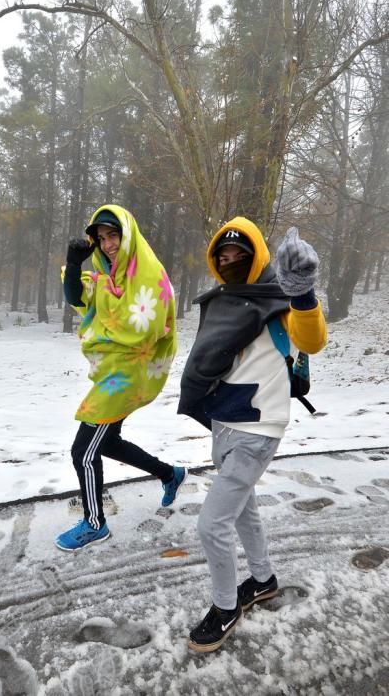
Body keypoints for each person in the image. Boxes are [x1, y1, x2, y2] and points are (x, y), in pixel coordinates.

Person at [178, 219, 327, 653]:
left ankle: (226, 608)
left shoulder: (279, 298)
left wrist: (302, 292)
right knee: (244, 511)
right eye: (222, 257)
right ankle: (263, 580)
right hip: (225, 422)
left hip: (257, 427)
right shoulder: (228, 301)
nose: (229, 262)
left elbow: (312, 339)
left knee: (212, 525)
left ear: (257, 254)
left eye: (239, 255)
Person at [55, 204, 186, 551]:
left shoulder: (147, 273)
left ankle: (95, 524)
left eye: (114, 235)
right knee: (108, 441)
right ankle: (170, 474)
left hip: (129, 375)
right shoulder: (107, 277)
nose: (108, 243)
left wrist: (109, 332)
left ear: (128, 235)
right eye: (101, 238)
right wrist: (74, 262)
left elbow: (145, 328)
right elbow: (75, 297)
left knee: (83, 451)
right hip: (115, 373)